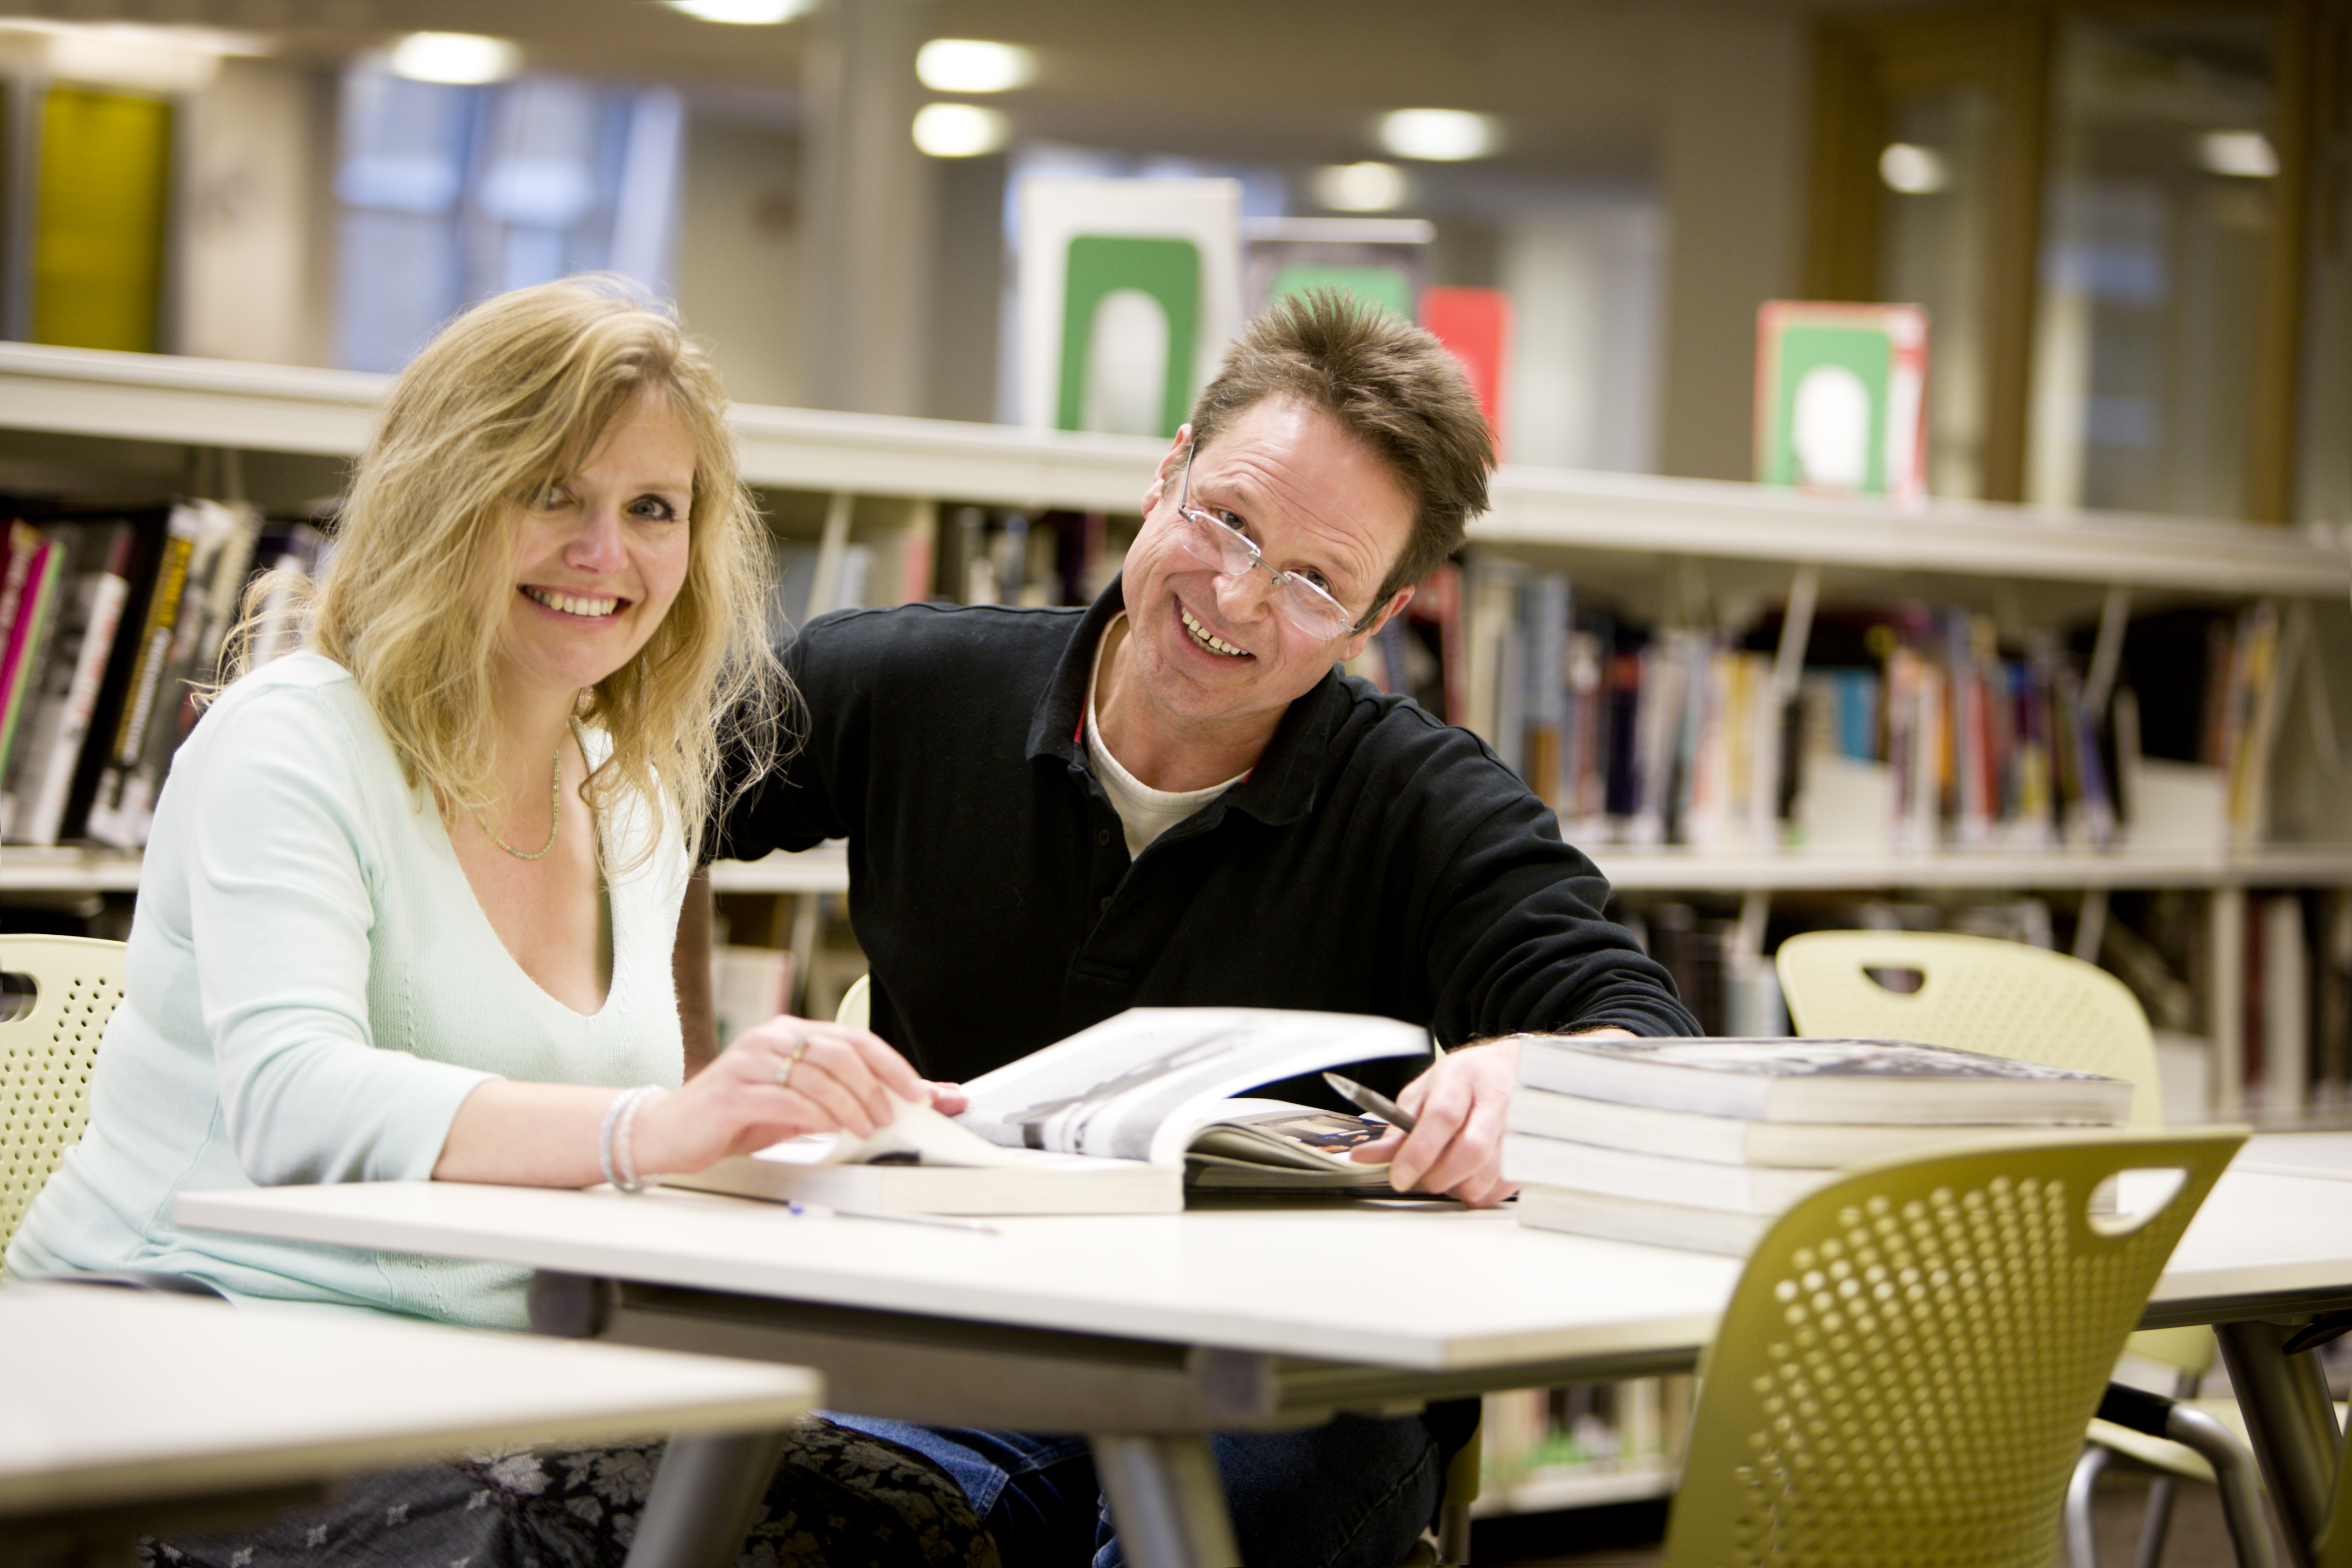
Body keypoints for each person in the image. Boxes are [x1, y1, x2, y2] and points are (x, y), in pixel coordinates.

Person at [688, 289, 1700, 1567]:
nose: (1236, 593)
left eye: (1316, 583)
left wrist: (1535, 1076)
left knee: (1221, 1505)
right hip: (959, 1337)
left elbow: (1645, 1035)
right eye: (1226, 516)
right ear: (1169, 469)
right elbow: (611, 793)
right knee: (775, 1501)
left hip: (1289, 1372)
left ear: (1380, 621)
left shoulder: (1427, 806)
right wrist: (663, 1064)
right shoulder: (907, 683)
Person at [4, 278, 996, 1568]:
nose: (607, 554)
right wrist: (660, 1126)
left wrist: (802, 1133)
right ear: (445, 497)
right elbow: (293, 1099)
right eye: (550, 493)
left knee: (914, 1515)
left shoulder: (635, 784)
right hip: (178, 1354)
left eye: (653, 509)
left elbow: (596, 1141)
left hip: (494, 1379)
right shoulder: (295, 739)